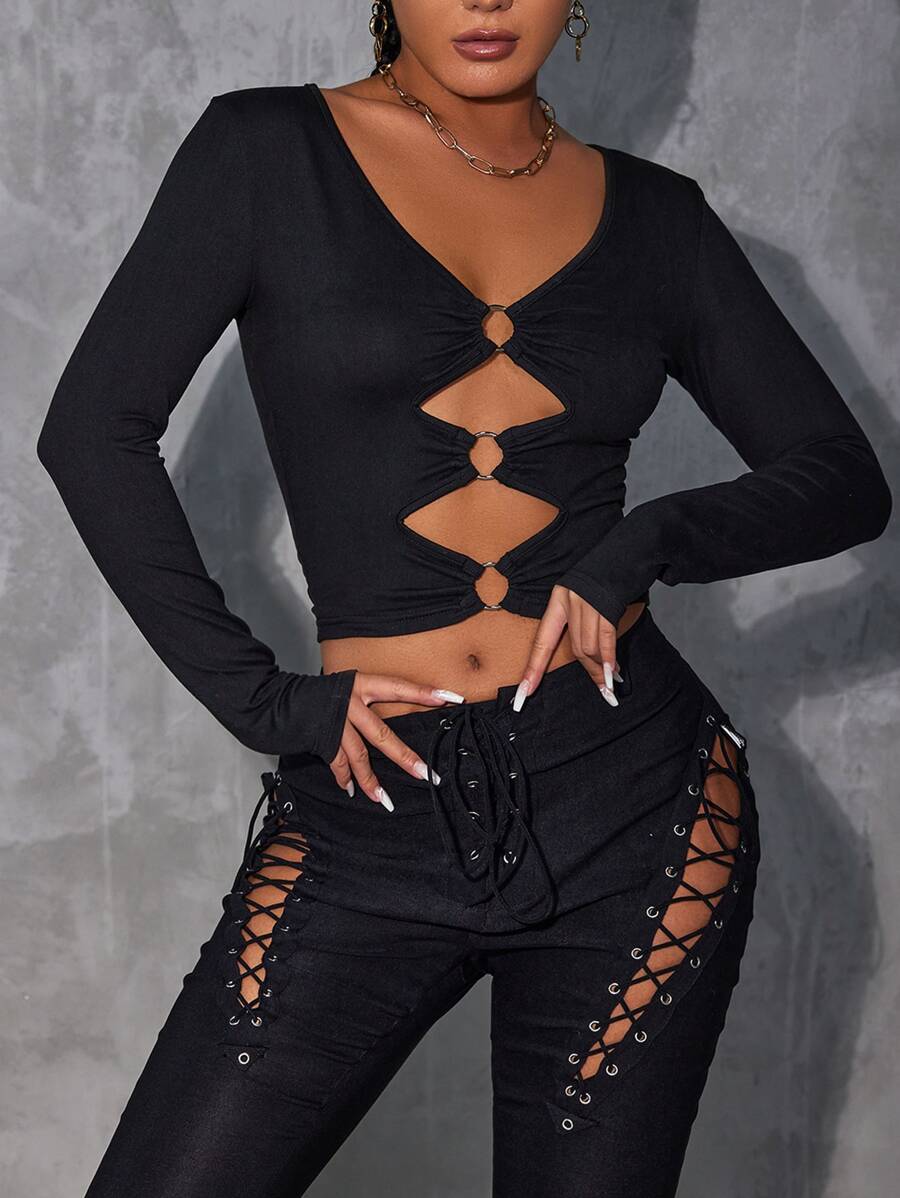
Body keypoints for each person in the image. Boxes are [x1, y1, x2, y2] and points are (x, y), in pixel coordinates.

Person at [35, 2, 892, 1196]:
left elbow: (844, 478)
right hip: (369, 805)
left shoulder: (662, 220)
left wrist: (646, 541)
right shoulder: (265, 154)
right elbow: (91, 432)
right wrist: (269, 702)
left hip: (638, 812)